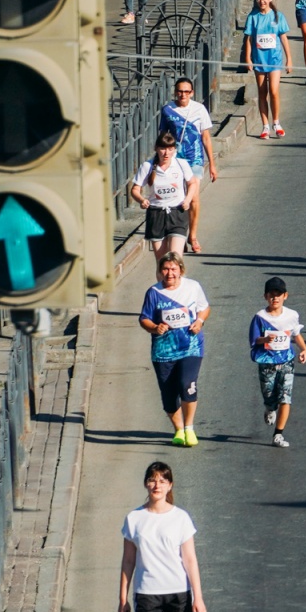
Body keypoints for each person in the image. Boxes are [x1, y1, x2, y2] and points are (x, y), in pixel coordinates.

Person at [118, 463, 204, 612]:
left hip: (179, 594)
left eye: (162, 481)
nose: (157, 485)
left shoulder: (180, 517)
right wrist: (123, 599)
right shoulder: (134, 519)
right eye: (152, 480)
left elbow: (190, 559)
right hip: (147, 594)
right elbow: (128, 561)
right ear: (146, 484)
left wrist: (198, 598)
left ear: (170, 485)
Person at [138, 254, 208, 446]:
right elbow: (144, 318)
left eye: (174, 269)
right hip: (164, 351)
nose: (170, 273)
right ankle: (178, 430)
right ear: (161, 271)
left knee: (187, 384)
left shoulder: (192, 287)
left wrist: (199, 321)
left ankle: (189, 428)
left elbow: (204, 308)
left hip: (191, 346)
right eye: (166, 269)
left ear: (181, 270)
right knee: (168, 395)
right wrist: (155, 327)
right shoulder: (153, 292)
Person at [247, 275, 306, 448]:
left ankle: (278, 434)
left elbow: (295, 334)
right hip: (267, 362)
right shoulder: (260, 317)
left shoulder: (291, 315)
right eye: (271, 294)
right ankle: (269, 408)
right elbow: (253, 340)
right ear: (265, 297)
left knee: (285, 397)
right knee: (269, 395)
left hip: (286, 361)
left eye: (279, 294)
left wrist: (304, 349)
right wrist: (264, 340)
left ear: (285, 296)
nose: (275, 298)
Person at [130, 130, 197, 264]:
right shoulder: (147, 166)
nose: (166, 153)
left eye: (170, 149)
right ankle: (163, 284)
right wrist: (142, 200)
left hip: (177, 213)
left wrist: (188, 200)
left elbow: (192, 183)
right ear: (156, 149)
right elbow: (135, 190)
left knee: (175, 260)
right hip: (156, 214)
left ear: (174, 150)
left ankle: (177, 284)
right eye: (162, 149)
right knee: (162, 263)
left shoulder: (181, 164)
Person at [240, 0, 291, 138]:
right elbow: (249, 38)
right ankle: (265, 126)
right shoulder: (253, 17)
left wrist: (289, 58)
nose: (262, 2)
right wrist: (247, 58)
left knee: (274, 91)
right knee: (262, 92)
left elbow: (283, 37)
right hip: (259, 60)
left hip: (274, 59)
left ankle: (276, 122)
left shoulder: (277, 16)